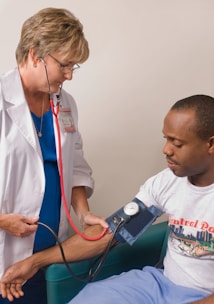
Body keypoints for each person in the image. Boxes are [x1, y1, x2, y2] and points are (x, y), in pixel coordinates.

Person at [1, 94, 214, 304]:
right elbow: (115, 231)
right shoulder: (167, 182)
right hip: (159, 283)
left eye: (176, 143)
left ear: (211, 144)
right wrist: (35, 261)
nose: (166, 150)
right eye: (166, 139)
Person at [0, 7, 108, 304]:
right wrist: (2, 221)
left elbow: (76, 167)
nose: (69, 76)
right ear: (35, 55)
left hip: (47, 254)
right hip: (4, 249)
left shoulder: (65, 103)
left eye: (75, 67)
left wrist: (84, 213)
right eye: (65, 65)